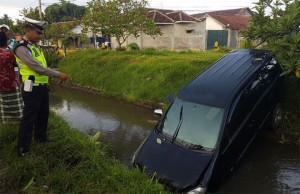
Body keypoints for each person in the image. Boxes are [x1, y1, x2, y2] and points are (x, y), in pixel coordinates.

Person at [14, 17, 70, 156]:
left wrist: (47, 83)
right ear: (29, 31)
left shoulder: (35, 47)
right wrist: (57, 74)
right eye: (38, 33)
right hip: (31, 88)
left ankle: (41, 139)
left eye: (41, 34)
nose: (40, 36)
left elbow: (43, 67)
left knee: (43, 115)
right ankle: (23, 148)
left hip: (42, 87)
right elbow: (36, 67)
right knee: (29, 118)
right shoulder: (22, 48)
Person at [0, 31, 23, 124]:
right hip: (11, 84)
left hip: (0, 87)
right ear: (6, 41)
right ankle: (19, 126)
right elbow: (16, 66)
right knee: (18, 109)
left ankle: (7, 125)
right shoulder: (9, 54)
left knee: (4, 107)